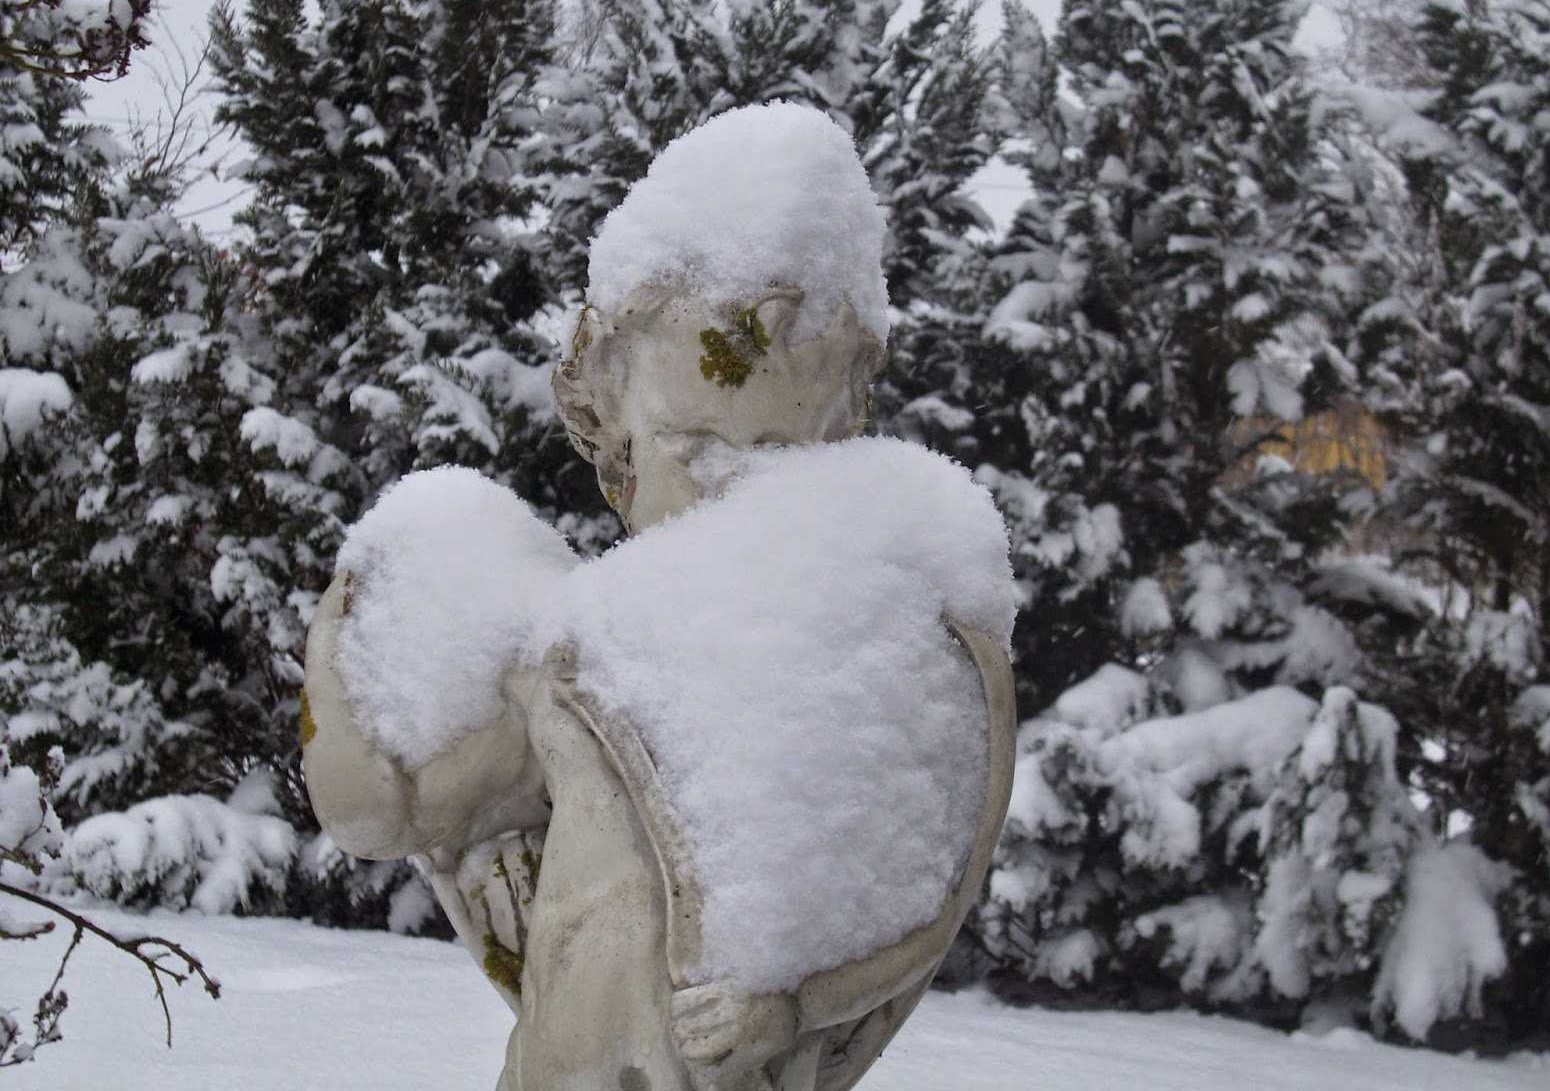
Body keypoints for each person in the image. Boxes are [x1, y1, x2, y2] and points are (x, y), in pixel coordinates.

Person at [300, 104, 1015, 1091]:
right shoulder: (573, 652)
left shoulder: (880, 649)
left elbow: (923, 901)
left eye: (778, 450)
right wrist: (349, 666)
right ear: (616, 434)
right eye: (694, 446)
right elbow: (389, 812)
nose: (730, 483)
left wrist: (790, 1007)